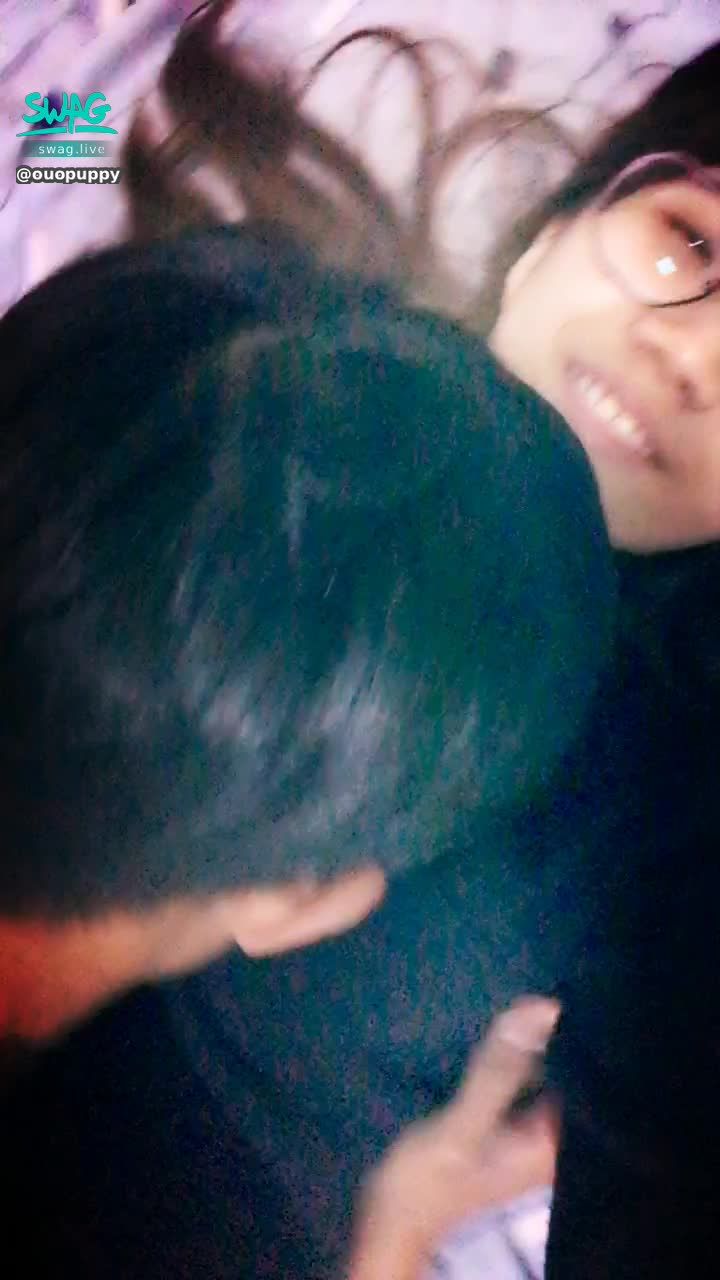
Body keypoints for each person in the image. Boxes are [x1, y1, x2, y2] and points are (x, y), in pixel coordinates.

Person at [3, 9, 720, 1279]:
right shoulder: (229, 318)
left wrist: (391, 1240)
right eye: (692, 242)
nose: (690, 355)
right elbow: (59, 112)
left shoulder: (674, 813)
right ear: (566, 220)